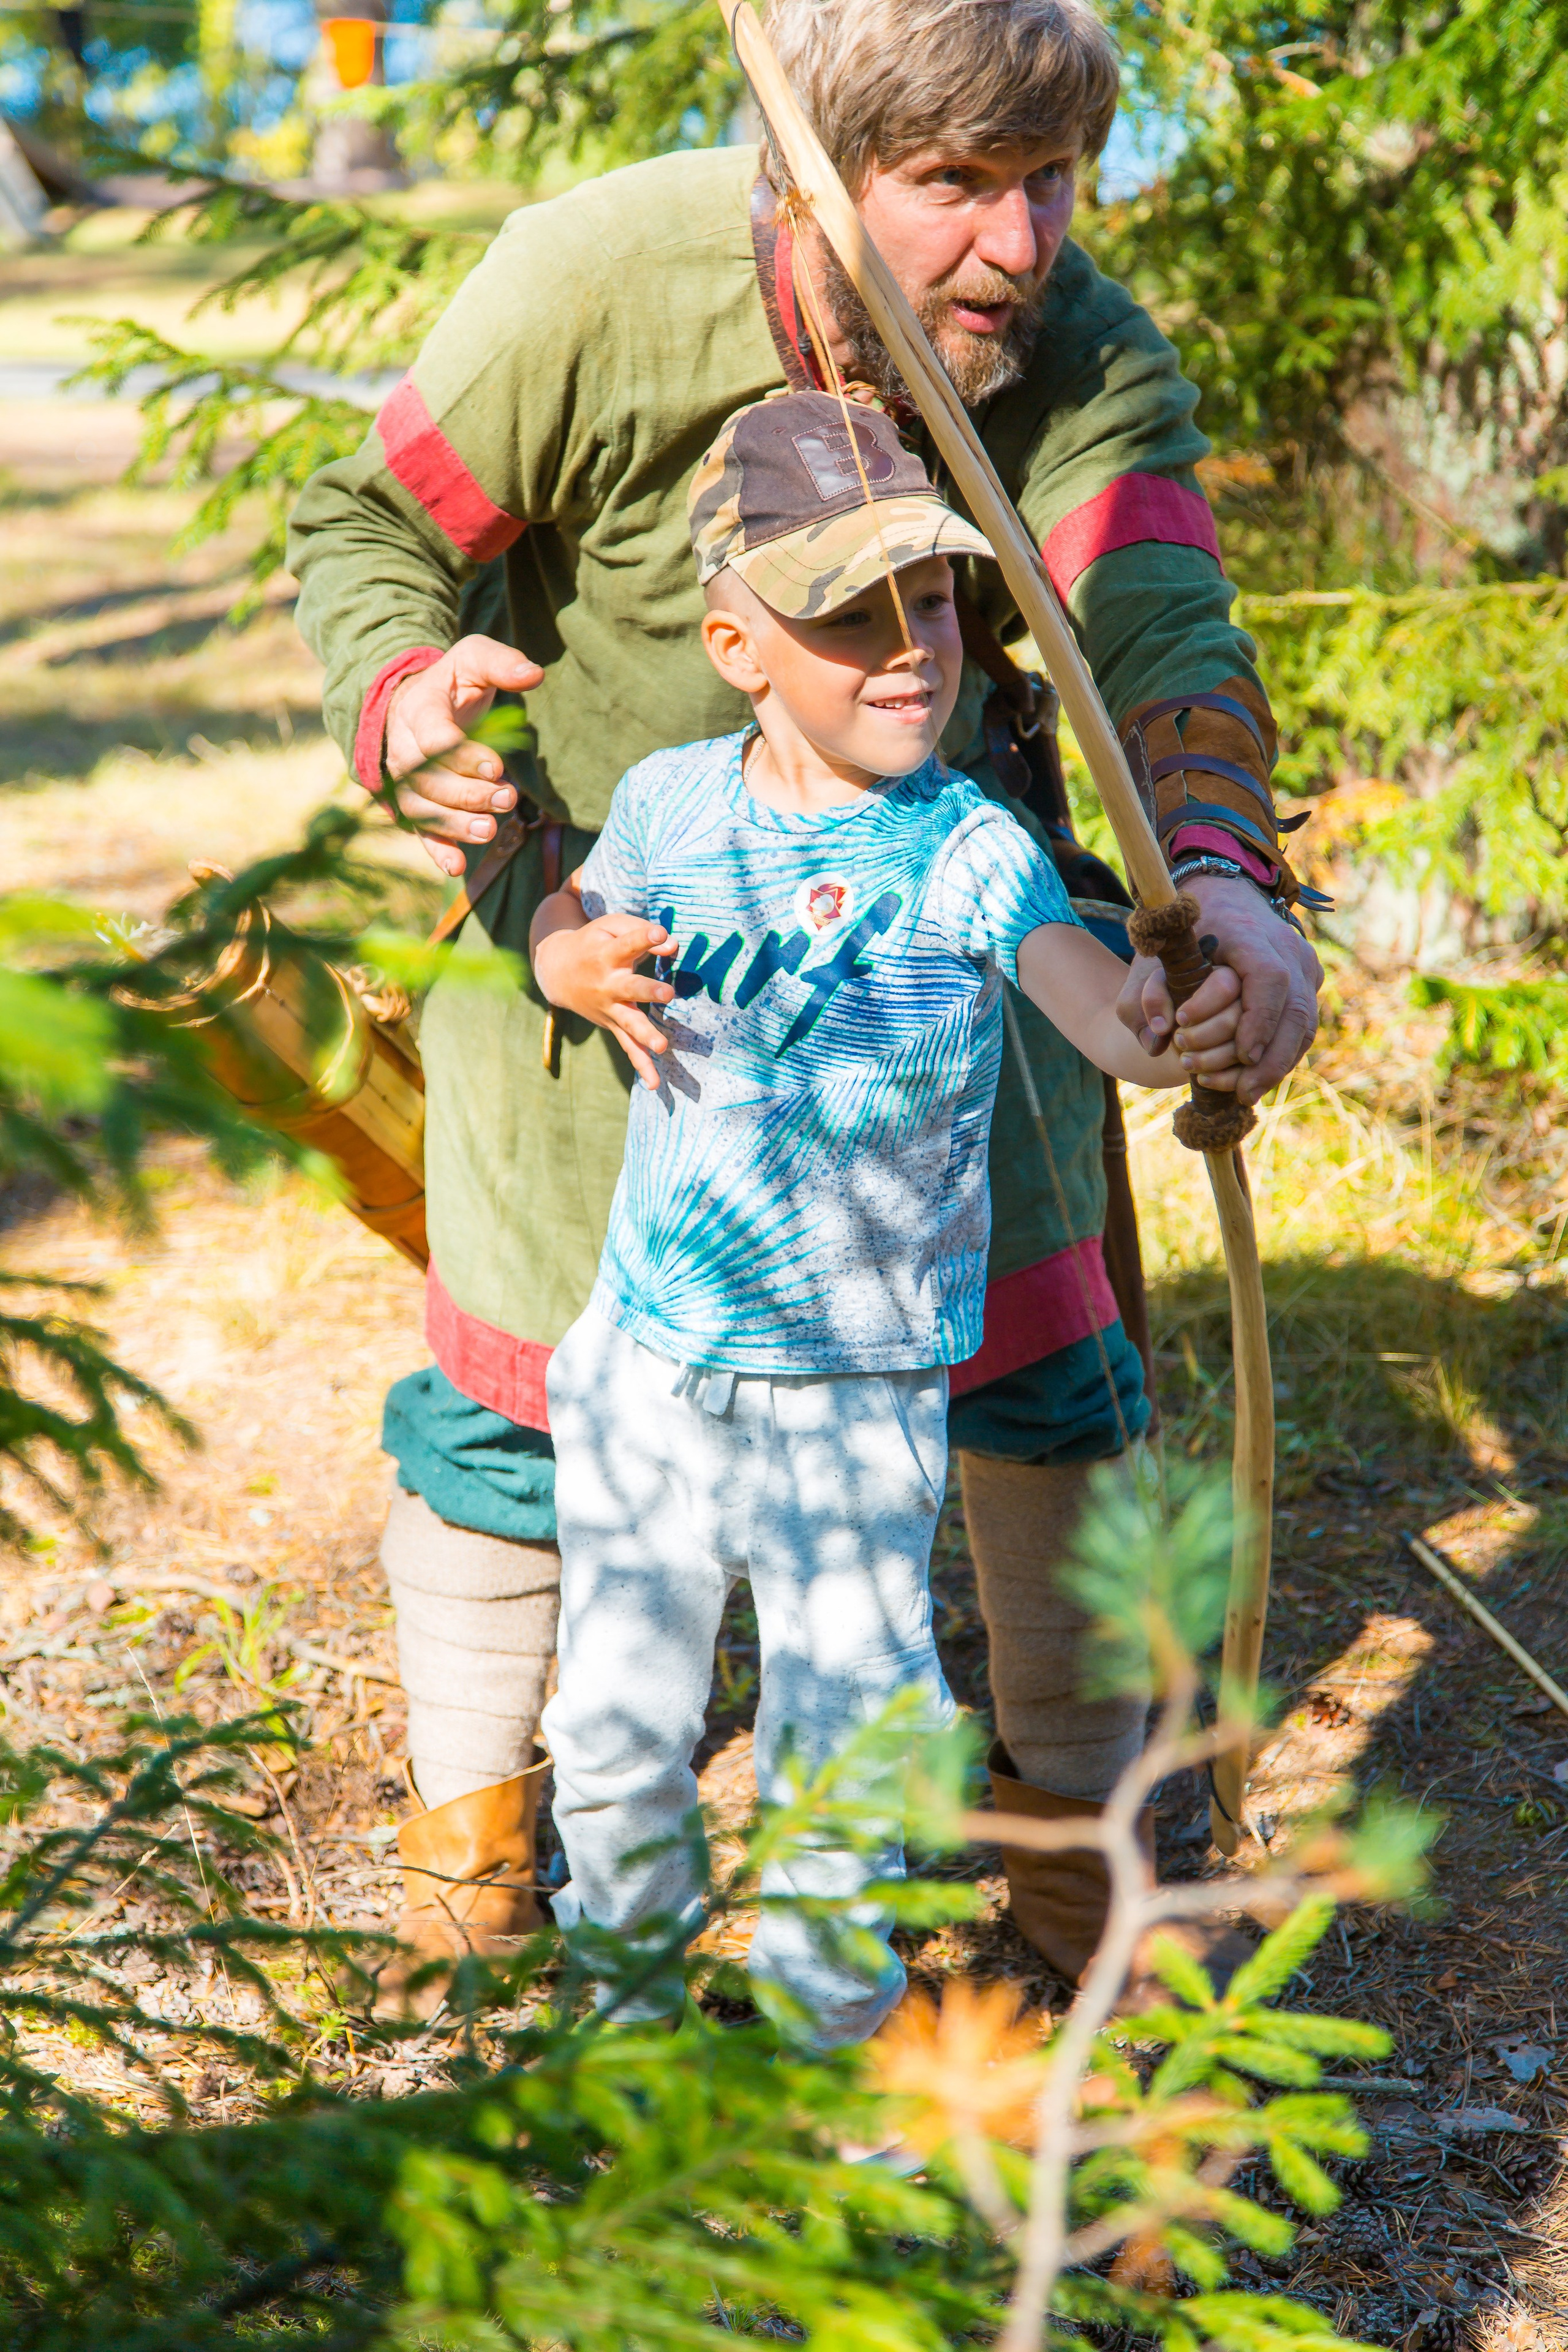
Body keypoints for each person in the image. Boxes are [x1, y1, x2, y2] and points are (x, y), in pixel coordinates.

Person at [285, 0, 1322, 1985]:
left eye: (1049, 179)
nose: (1020, 242)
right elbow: (371, 522)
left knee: (1046, 1392)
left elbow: (1157, 620)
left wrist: (1224, 887)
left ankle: (1072, 1878)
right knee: (518, 1425)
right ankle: (479, 1860)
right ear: (813, 162)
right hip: (614, 981)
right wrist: (404, 699)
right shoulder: (597, 276)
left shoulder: (1076, 345)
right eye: (952, 185)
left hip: (946, 1020)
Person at [527, 390, 1245, 2041]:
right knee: (623, 1718)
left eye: (927, 600)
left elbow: (1103, 1016)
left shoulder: (971, 849)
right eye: (847, 617)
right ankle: (622, 2019)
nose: (909, 648)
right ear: (738, 645)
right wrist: (563, 956)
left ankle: (831, 2039)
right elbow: (586, 907)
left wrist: (1182, 1021)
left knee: (843, 1735)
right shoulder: (672, 805)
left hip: (858, 1395)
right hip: (650, 1360)